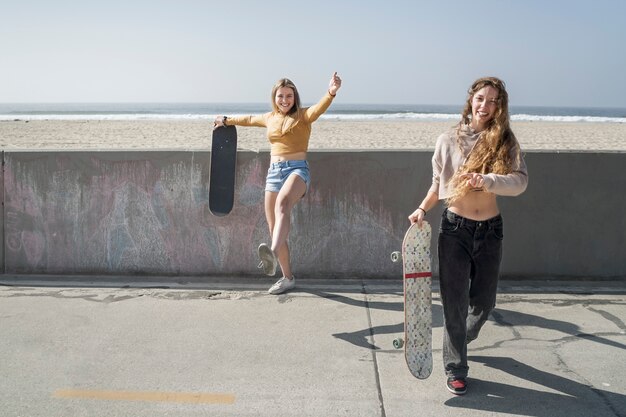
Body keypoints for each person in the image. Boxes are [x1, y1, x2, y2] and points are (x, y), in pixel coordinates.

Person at [408, 77, 528, 395]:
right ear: (470, 100)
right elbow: (437, 185)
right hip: (455, 229)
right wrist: (421, 209)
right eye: (479, 98)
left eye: (492, 101)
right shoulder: (448, 140)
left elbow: (519, 182)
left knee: (484, 303)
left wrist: (488, 180)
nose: (484, 105)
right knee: (454, 303)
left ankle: (457, 339)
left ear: (499, 106)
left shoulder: (505, 140)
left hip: (490, 231)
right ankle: (456, 367)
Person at [214, 72, 342, 295]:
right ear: (274, 97)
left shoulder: (303, 116)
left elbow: (318, 109)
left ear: (295, 97)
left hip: (297, 171)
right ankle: (288, 278)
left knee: (283, 204)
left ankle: (271, 254)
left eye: (289, 96)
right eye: (281, 96)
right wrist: (225, 120)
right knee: (275, 229)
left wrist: (331, 92)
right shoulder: (269, 118)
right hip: (273, 173)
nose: (285, 100)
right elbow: (249, 120)